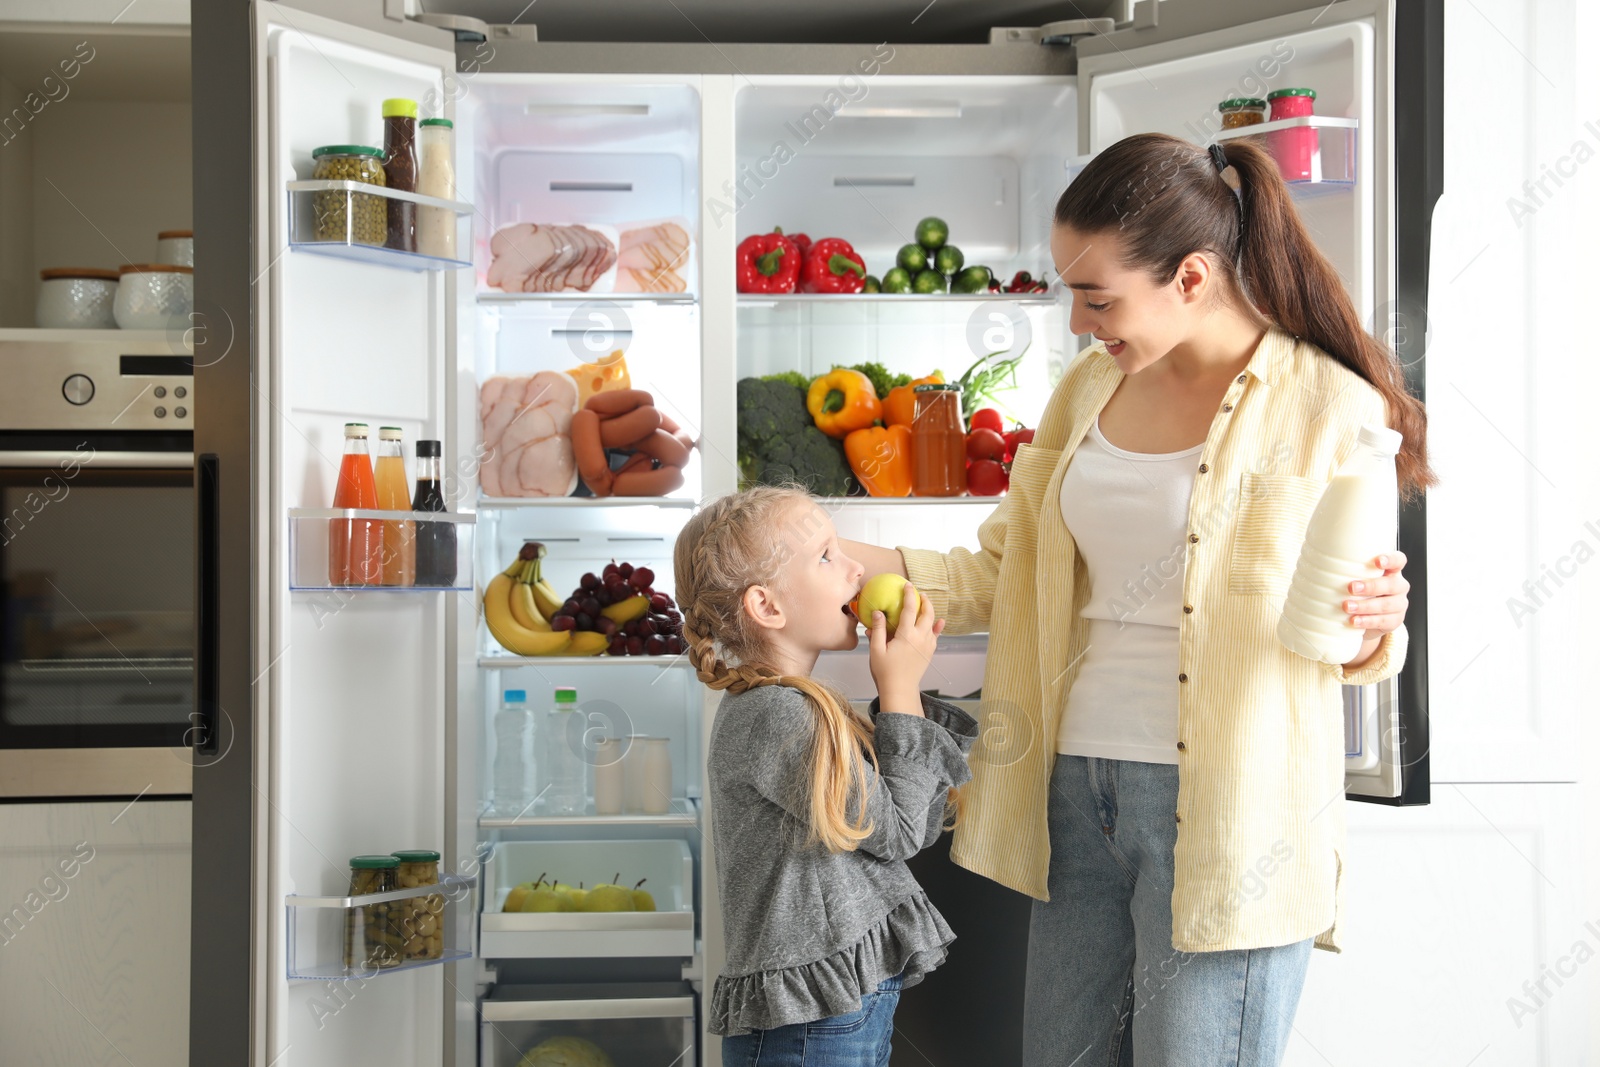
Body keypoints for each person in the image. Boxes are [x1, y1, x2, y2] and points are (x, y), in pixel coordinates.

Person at [842, 133, 1435, 1067]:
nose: (1078, 323)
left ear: (1191, 277)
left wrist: (1376, 623)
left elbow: (1361, 639)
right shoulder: (1086, 391)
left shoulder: (1329, 405)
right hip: (1072, 788)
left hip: (1231, 812)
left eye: (1098, 297)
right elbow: (1011, 570)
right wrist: (829, 554)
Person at [674, 485, 978, 1066]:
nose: (856, 569)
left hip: (825, 1014)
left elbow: (902, 814)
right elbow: (901, 833)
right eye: (826, 556)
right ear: (767, 607)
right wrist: (900, 686)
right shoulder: (778, 716)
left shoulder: (795, 705)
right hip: (809, 1026)